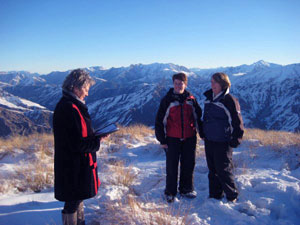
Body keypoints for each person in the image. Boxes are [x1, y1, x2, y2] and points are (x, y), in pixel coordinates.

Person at [53, 69, 104, 225]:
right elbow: (77, 143)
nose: (87, 94)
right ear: (75, 87)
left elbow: (77, 136)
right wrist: (97, 142)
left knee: (76, 197)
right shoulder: (70, 109)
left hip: (73, 164)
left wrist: (95, 136)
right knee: (73, 201)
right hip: (73, 166)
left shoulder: (69, 105)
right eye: (86, 89)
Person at [155, 72, 203, 203]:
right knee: (172, 166)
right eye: (176, 83)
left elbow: (198, 117)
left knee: (188, 164)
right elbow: (159, 121)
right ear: (173, 84)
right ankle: (170, 191)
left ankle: (186, 189)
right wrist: (162, 140)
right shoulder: (167, 100)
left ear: (185, 84)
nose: (178, 86)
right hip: (172, 139)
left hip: (189, 138)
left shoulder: (191, 100)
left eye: (181, 83)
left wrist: (202, 134)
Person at [202, 72, 244, 203]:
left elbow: (237, 121)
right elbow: (206, 119)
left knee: (223, 170)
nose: (212, 84)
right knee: (212, 169)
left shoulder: (229, 100)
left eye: (215, 82)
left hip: (223, 141)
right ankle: (215, 195)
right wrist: (203, 133)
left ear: (223, 84)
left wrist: (236, 138)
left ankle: (232, 196)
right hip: (210, 140)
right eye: (211, 82)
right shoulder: (209, 98)